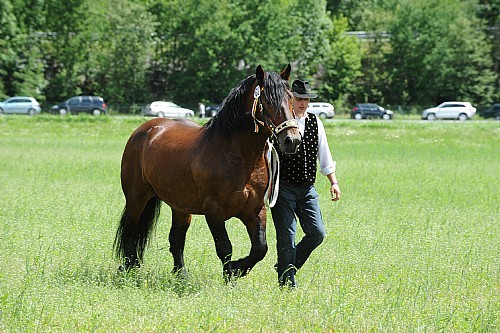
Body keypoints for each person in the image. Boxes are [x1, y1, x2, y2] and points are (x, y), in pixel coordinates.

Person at [271, 79, 341, 288]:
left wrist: (333, 182)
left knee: (317, 233)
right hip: (283, 187)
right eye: (300, 98)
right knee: (287, 236)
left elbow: (324, 154)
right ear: (291, 99)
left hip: (307, 188)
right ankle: (286, 283)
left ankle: (287, 265)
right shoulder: (279, 122)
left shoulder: (315, 122)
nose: (304, 103)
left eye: (307, 99)